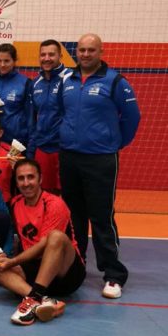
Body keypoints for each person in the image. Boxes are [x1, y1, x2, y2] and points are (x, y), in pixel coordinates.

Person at [59, 33, 140, 299]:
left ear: (101, 51)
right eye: (81, 50)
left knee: (101, 217)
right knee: (74, 216)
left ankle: (114, 275)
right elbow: (63, 112)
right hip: (70, 157)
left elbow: (132, 117)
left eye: (91, 50)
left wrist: (112, 143)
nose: (85, 54)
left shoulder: (115, 81)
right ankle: (77, 264)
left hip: (101, 159)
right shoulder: (67, 81)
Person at [0, 159, 85, 326]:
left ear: (40, 179)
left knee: (56, 237)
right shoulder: (16, 204)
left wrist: (14, 261)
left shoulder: (54, 203)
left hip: (65, 272)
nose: (26, 183)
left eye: (30, 177)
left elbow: (44, 246)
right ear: (16, 182)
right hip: (35, 270)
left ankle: (32, 299)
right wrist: (5, 258)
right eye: (21, 178)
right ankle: (44, 301)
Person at [29, 39, 70, 193]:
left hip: (65, 148)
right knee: (43, 193)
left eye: (51, 54)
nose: (46, 58)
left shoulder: (71, 79)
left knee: (68, 194)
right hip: (42, 147)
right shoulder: (35, 83)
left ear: (60, 56)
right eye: (43, 54)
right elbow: (32, 119)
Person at [0, 43, 33, 147]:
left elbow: (30, 117)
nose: (2, 65)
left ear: (14, 61)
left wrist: (31, 145)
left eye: (7, 61)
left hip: (16, 142)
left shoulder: (25, 83)